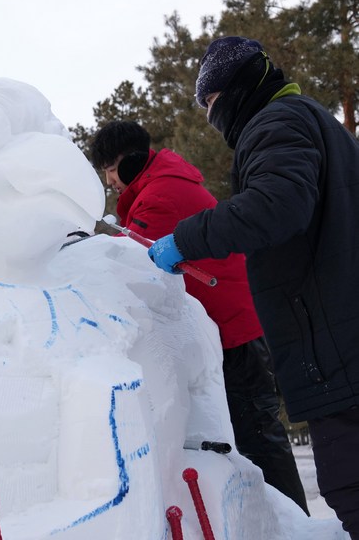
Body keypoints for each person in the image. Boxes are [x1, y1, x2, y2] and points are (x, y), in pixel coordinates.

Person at [148, 36, 359, 535]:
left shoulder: (276, 122)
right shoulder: (311, 121)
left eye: (213, 104)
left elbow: (276, 205)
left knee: (350, 482)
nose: (210, 119)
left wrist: (185, 239)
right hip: (341, 336)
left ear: (239, 90)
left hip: (339, 348)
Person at [90, 120, 308, 514]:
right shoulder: (165, 182)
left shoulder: (160, 196)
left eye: (110, 171)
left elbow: (128, 260)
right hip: (232, 324)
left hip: (232, 330)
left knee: (258, 436)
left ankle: (293, 524)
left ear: (129, 161)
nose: (111, 183)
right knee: (255, 434)